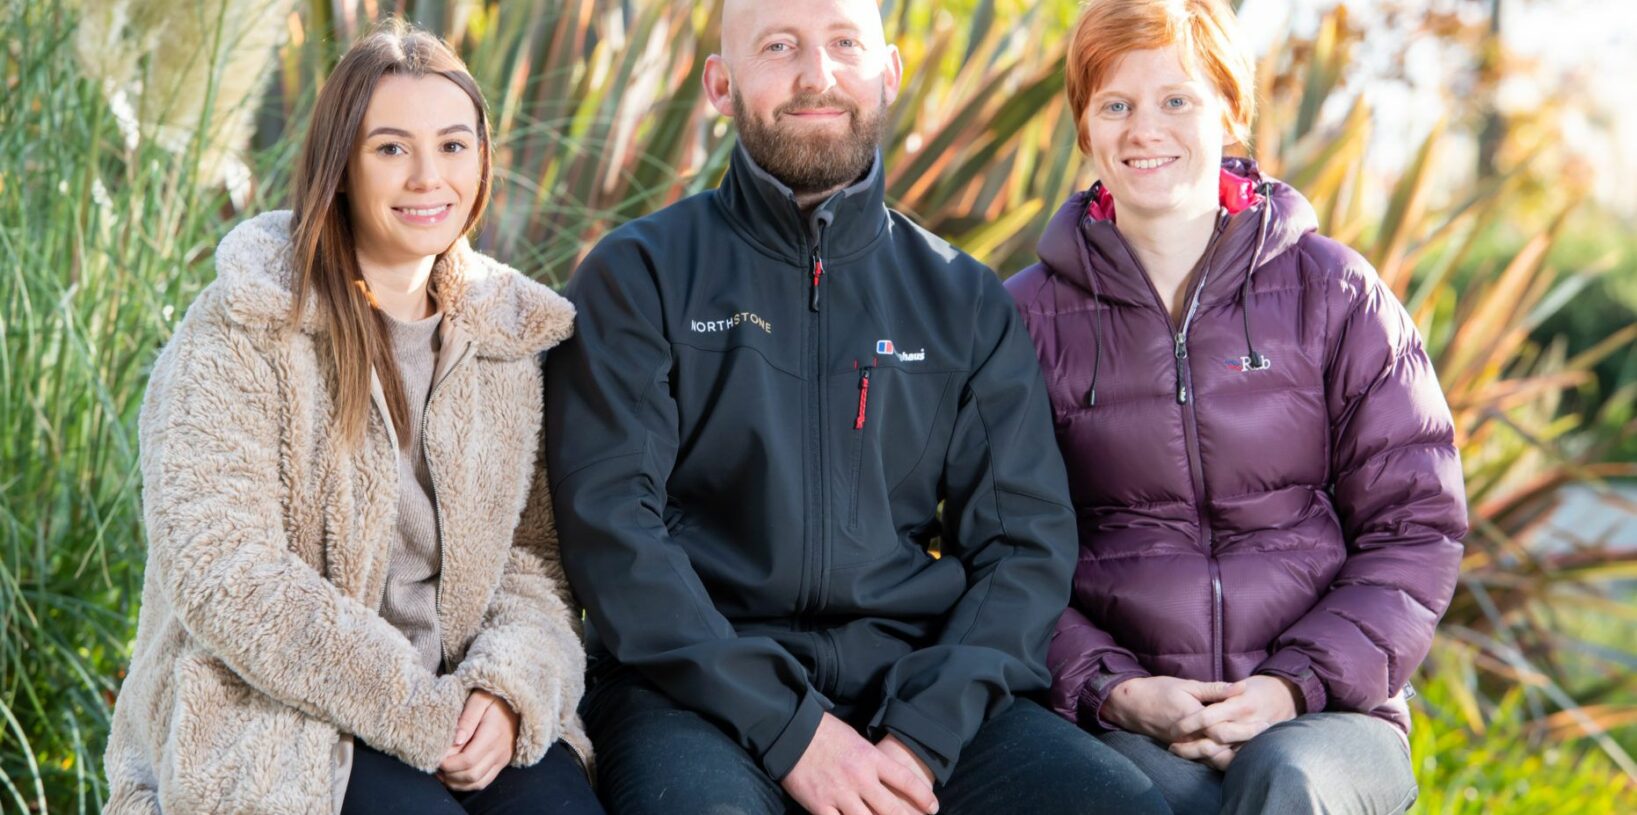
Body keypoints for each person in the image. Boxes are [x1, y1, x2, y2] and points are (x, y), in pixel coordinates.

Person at [543, 1, 1169, 813]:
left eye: (844, 43)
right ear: (720, 85)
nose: (818, 75)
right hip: (692, 695)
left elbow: (1023, 548)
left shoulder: (962, 299)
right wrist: (792, 730)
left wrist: (921, 737)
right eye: (779, 47)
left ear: (888, 73)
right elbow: (614, 532)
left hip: (911, 690)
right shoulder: (640, 277)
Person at [102, 21, 602, 815]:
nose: (427, 177)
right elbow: (224, 569)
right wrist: (416, 712)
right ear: (339, 167)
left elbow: (533, 564)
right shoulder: (243, 328)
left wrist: (508, 690)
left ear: (481, 159)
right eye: (391, 148)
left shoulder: (507, 343)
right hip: (278, 717)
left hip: (464, 703)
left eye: (452, 145)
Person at [1005, 0, 1467, 813]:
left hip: (1327, 713)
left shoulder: (1334, 292)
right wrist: (1115, 689)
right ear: (1084, 127)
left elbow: (1416, 524)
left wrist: (1290, 685)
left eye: (1175, 99)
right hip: (1123, 717)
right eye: (1115, 105)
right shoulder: (1024, 319)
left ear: (1229, 110)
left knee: (1285, 782)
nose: (1144, 129)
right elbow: (1000, 547)